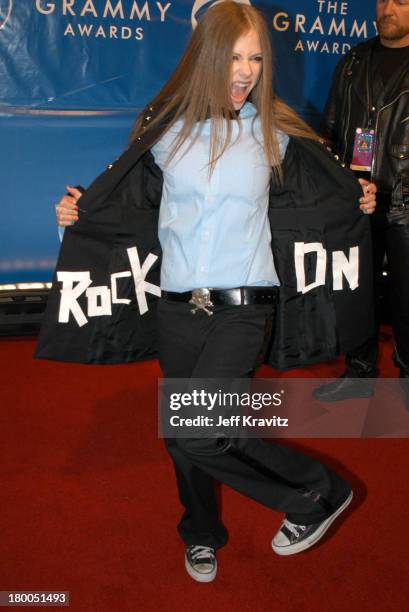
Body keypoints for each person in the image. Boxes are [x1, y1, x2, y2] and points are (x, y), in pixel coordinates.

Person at [41, 2, 376, 583]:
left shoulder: (276, 134)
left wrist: (359, 197)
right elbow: (121, 205)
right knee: (186, 436)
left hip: (246, 307)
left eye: (255, 58)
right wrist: (74, 213)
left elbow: (325, 197)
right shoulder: (164, 130)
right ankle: (201, 532)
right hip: (178, 308)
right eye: (234, 57)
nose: (245, 70)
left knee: (199, 427)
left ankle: (317, 493)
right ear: (206, 58)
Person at [314, 0, 409, 407]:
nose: (387, 8)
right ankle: (360, 371)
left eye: (401, 2)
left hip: (406, 201)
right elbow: (333, 128)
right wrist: (338, 186)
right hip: (357, 199)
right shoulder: (354, 60)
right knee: (357, 291)